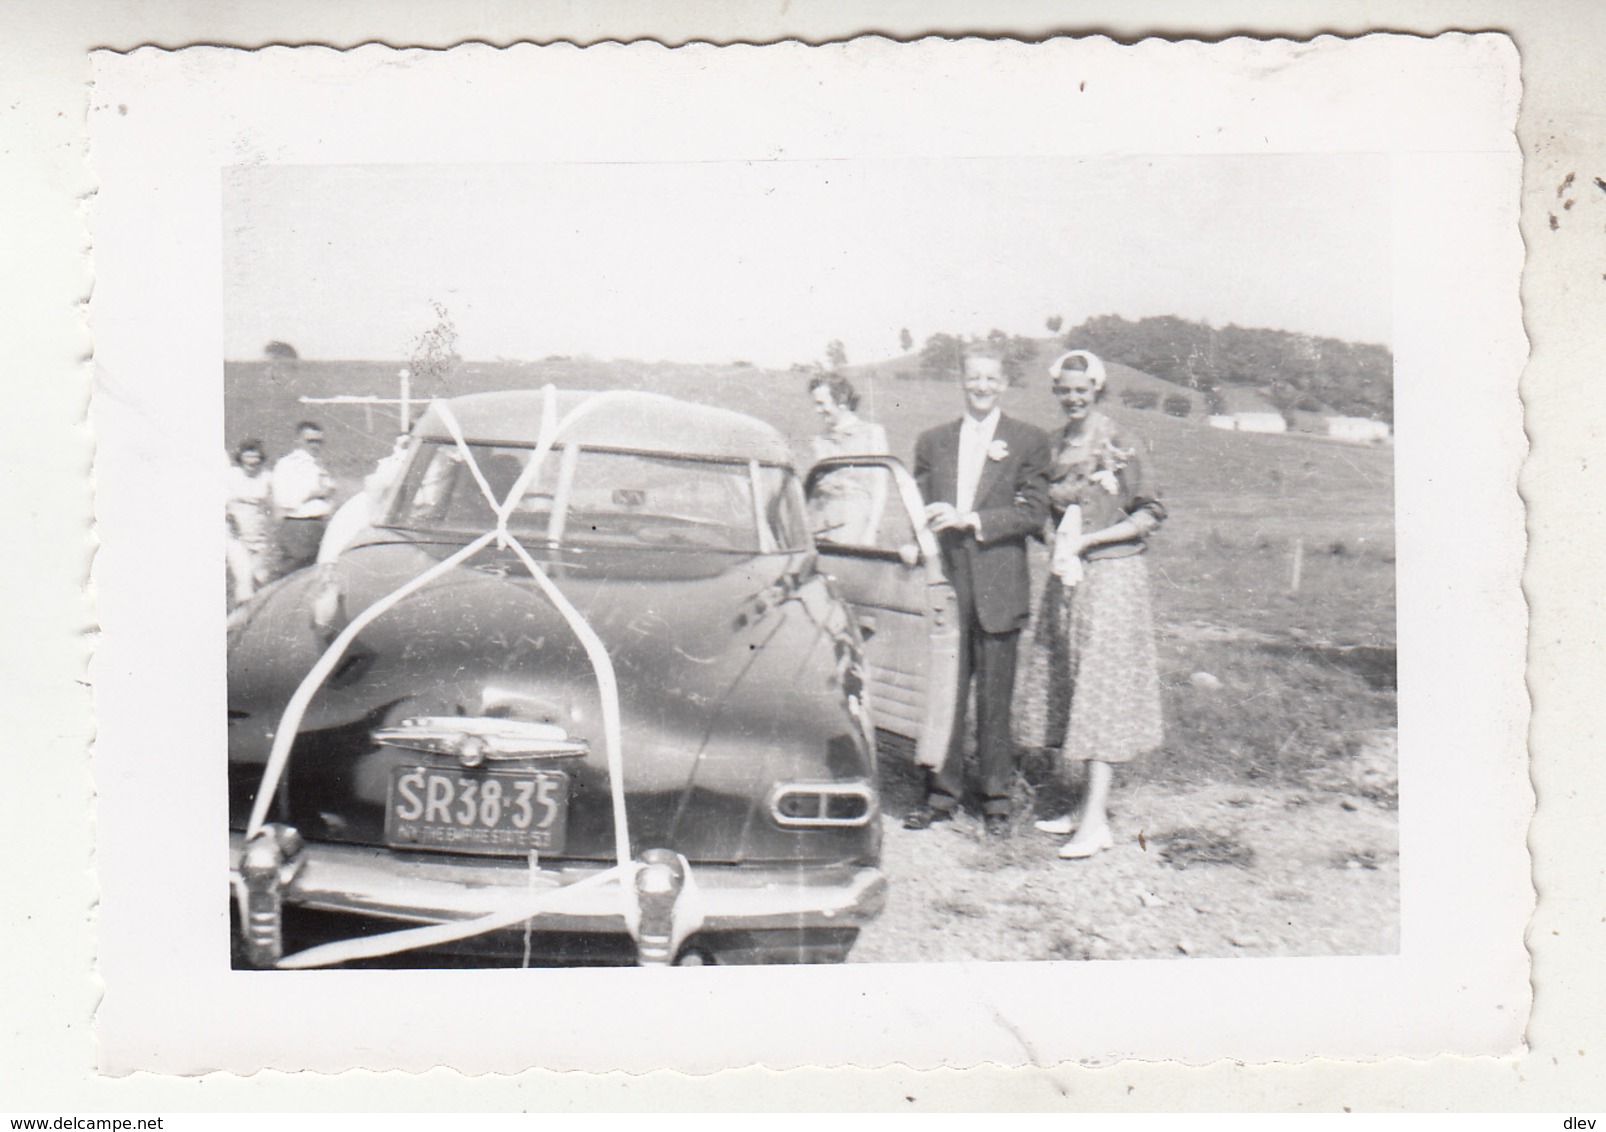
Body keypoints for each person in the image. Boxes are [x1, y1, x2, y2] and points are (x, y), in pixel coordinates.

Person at [1018, 350, 1166, 859]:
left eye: (1082, 389)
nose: (1073, 397)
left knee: (1101, 690)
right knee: (1074, 684)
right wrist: (1053, 536)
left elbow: (1150, 512)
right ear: (1057, 392)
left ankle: (1096, 823)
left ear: (1097, 390)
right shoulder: (1055, 443)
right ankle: (1084, 807)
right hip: (1069, 579)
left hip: (1114, 577)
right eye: (1065, 389)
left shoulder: (1119, 440)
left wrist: (1091, 540)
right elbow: (1043, 510)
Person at [903, 349, 1052, 836]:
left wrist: (972, 519)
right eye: (974, 378)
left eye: (991, 377)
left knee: (994, 697)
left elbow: (1032, 513)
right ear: (962, 382)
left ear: (1004, 383)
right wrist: (918, 537)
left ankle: (996, 801)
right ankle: (941, 795)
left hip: (998, 583)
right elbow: (919, 509)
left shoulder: (1028, 440)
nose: (982, 386)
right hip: (948, 580)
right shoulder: (933, 441)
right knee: (945, 691)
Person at [805, 373, 889, 544]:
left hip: (853, 526)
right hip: (818, 526)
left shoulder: (872, 434)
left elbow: (880, 487)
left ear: (841, 401)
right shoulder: (819, 440)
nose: (817, 410)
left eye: (821, 404)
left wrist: (871, 531)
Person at [271, 420, 335, 574]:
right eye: (310, 441)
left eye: (319, 441)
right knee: (293, 573)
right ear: (298, 440)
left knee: (315, 572)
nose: (315, 445)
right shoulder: (288, 464)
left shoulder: (317, 464)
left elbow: (328, 492)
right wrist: (313, 493)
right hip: (299, 525)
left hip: (319, 524)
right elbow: (283, 499)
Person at [224, 439, 275, 606]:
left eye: (256, 458)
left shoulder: (267, 477)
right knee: (244, 577)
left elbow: (273, 504)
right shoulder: (231, 476)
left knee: (261, 577)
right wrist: (229, 517)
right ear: (241, 458)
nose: (252, 462)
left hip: (259, 534)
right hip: (236, 535)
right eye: (248, 457)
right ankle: (240, 619)